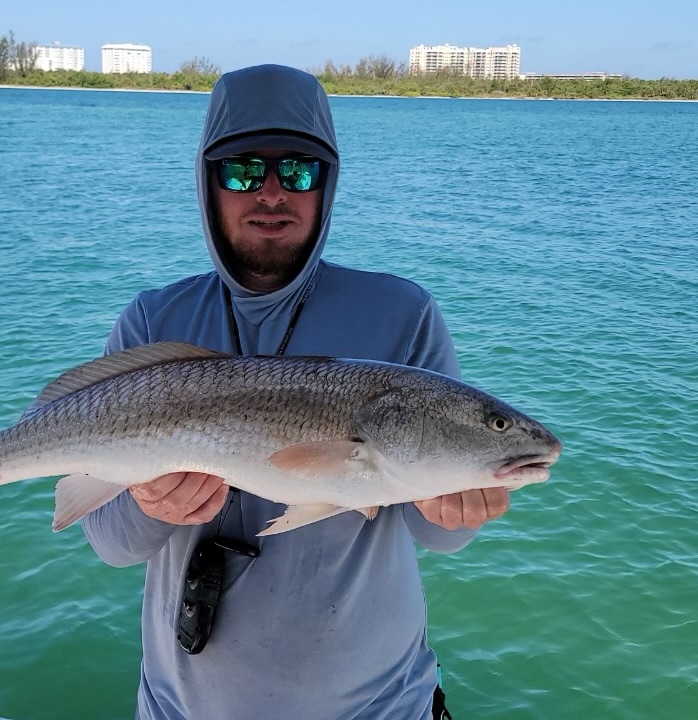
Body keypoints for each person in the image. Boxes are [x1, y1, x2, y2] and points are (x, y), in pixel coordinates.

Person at [81, 64, 511, 720]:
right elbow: (112, 545)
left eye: (300, 171)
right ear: (206, 182)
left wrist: (462, 507)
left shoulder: (402, 315)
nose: (272, 193)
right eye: (243, 171)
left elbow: (439, 535)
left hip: (382, 707)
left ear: (328, 183)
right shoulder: (153, 322)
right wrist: (150, 505)